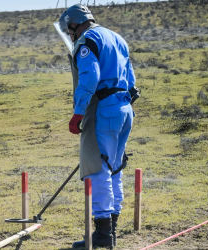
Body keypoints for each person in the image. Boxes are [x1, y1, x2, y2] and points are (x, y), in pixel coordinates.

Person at [57, 4, 139, 249]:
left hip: (104, 109)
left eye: (69, 30)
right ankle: (110, 232)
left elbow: (90, 76)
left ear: (73, 25)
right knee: (115, 168)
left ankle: (103, 234)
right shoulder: (116, 37)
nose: (70, 35)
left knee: (98, 169)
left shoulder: (87, 40)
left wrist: (78, 112)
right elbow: (131, 79)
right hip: (124, 109)